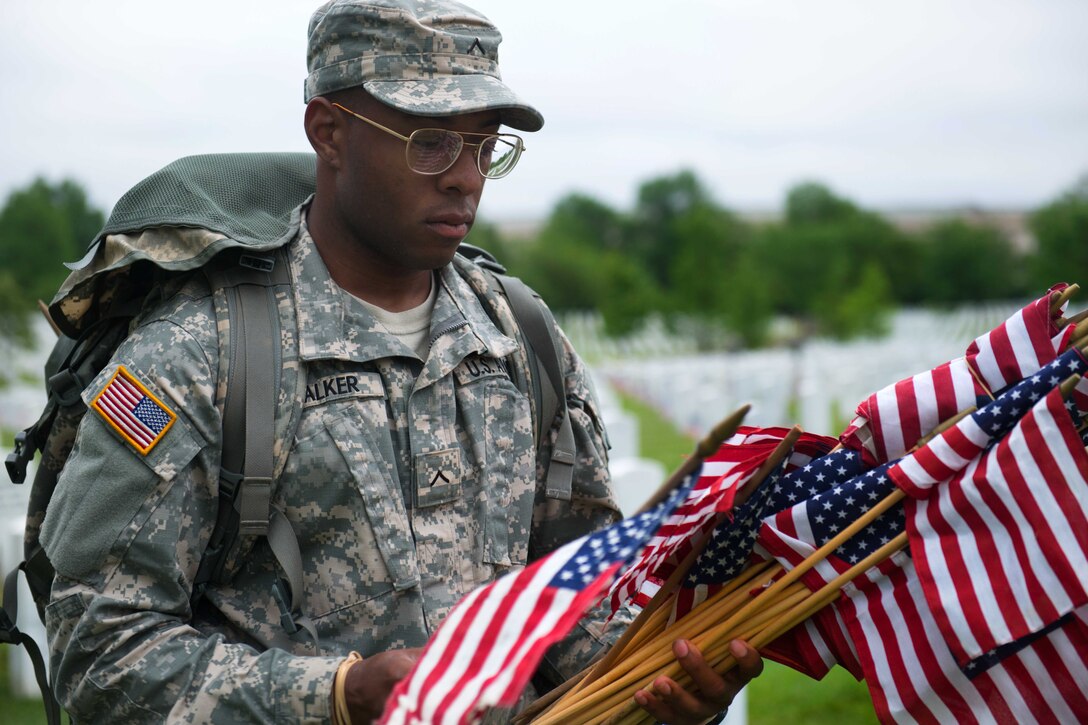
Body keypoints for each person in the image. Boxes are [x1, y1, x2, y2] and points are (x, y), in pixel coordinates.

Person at [39, 1, 762, 722]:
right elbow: (100, 654)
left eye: (485, 146)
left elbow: (577, 600)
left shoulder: (523, 337)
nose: (465, 177)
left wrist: (662, 680)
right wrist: (336, 696)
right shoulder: (203, 353)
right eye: (431, 142)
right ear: (329, 133)